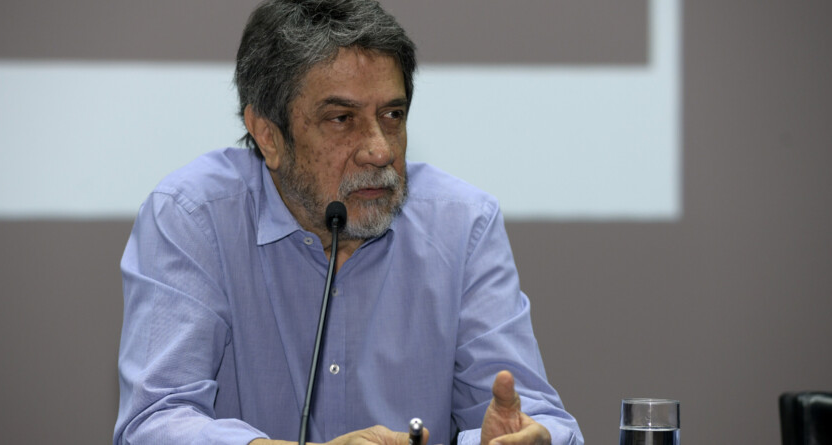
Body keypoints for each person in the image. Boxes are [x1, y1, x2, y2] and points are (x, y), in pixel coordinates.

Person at [114, 1, 583, 444]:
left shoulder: (463, 224)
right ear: (268, 135)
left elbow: (536, 418)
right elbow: (153, 422)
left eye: (392, 115)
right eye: (341, 119)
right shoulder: (193, 217)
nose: (380, 150)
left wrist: (521, 436)